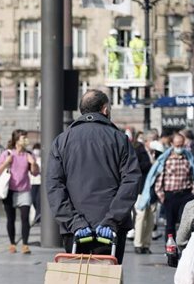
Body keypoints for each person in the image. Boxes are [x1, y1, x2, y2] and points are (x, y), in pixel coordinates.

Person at [47, 89, 141, 264]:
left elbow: (54, 186)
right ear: (105, 109)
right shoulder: (119, 139)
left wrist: (73, 221)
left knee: (78, 283)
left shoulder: (62, 140)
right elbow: (131, 180)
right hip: (110, 228)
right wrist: (112, 219)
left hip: (75, 229)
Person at [138, 131, 194, 242]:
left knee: (187, 223)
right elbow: (159, 179)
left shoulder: (188, 158)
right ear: (172, 144)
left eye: (181, 145)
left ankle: (184, 247)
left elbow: (193, 174)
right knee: (170, 225)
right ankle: (170, 250)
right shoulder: (166, 159)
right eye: (177, 145)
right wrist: (162, 196)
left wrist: (193, 190)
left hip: (186, 194)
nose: (179, 147)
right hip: (170, 196)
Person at [0, 130, 39, 254]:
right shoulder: (7, 153)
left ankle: (25, 244)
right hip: (9, 190)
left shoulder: (28, 154)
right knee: (11, 218)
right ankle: (12, 243)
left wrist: (33, 163)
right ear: (16, 141)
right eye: (23, 138)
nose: (26, 140)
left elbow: (35, 173)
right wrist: (7, 162)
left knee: (25, 218)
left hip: (24, 190)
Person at [131, 130, 154, 254]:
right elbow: (137, 167)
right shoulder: (138, 152)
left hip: (153, 190)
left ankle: (146, 243)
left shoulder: (159, 153)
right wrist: (151, 164)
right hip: (141, 189)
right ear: (146, 141)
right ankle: (138, 243)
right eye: (152, 140)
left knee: (151, 218)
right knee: (141, 215)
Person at [30, 142, 42, 225]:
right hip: (32, 182)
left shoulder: (42, 159)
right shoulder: (31, 158)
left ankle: (38, 217)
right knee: (33, 199)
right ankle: (38, 215)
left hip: (40, 181)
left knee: (39, 200)